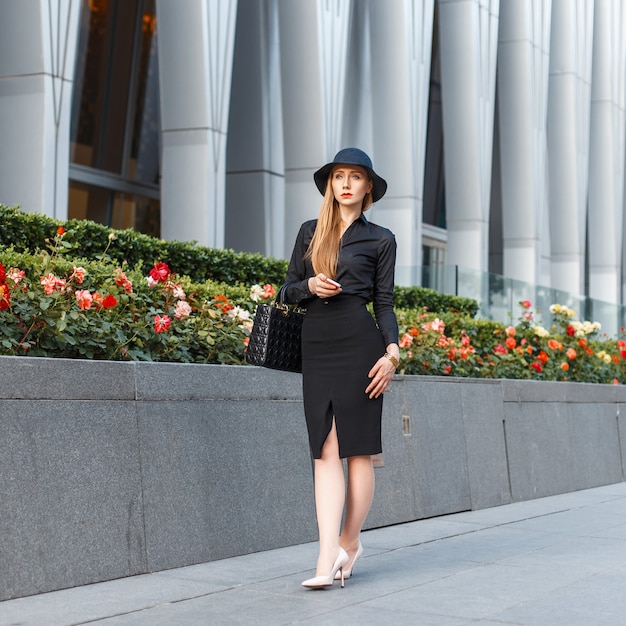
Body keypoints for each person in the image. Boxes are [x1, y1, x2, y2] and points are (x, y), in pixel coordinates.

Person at [282, 147, 399, 589]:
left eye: (355, 176)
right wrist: (309, 285)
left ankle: (348, 543)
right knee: (324, 449)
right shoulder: (310, 232)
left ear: (368, 186)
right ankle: (326, 553)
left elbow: (384, 303)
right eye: (338, 176)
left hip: (360, 342)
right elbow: (286, 290)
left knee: (358, 450)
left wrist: (391, 352)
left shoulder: (381, 238)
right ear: (330, 185)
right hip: (318, 344)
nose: (345, 183)